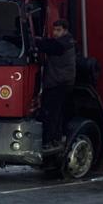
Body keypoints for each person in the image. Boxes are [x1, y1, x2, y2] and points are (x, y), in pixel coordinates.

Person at [35, 19, 76, 149]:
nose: (55, 33)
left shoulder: (63, 44)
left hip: (58, 84)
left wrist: (33, 40)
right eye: (54, 30)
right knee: (56, 113)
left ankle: (49, 140)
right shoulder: (66, 41)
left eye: (58, 30)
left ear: (65, 30)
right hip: (61, 83)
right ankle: (55, 139)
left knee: (51, 114)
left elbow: (48, 46)